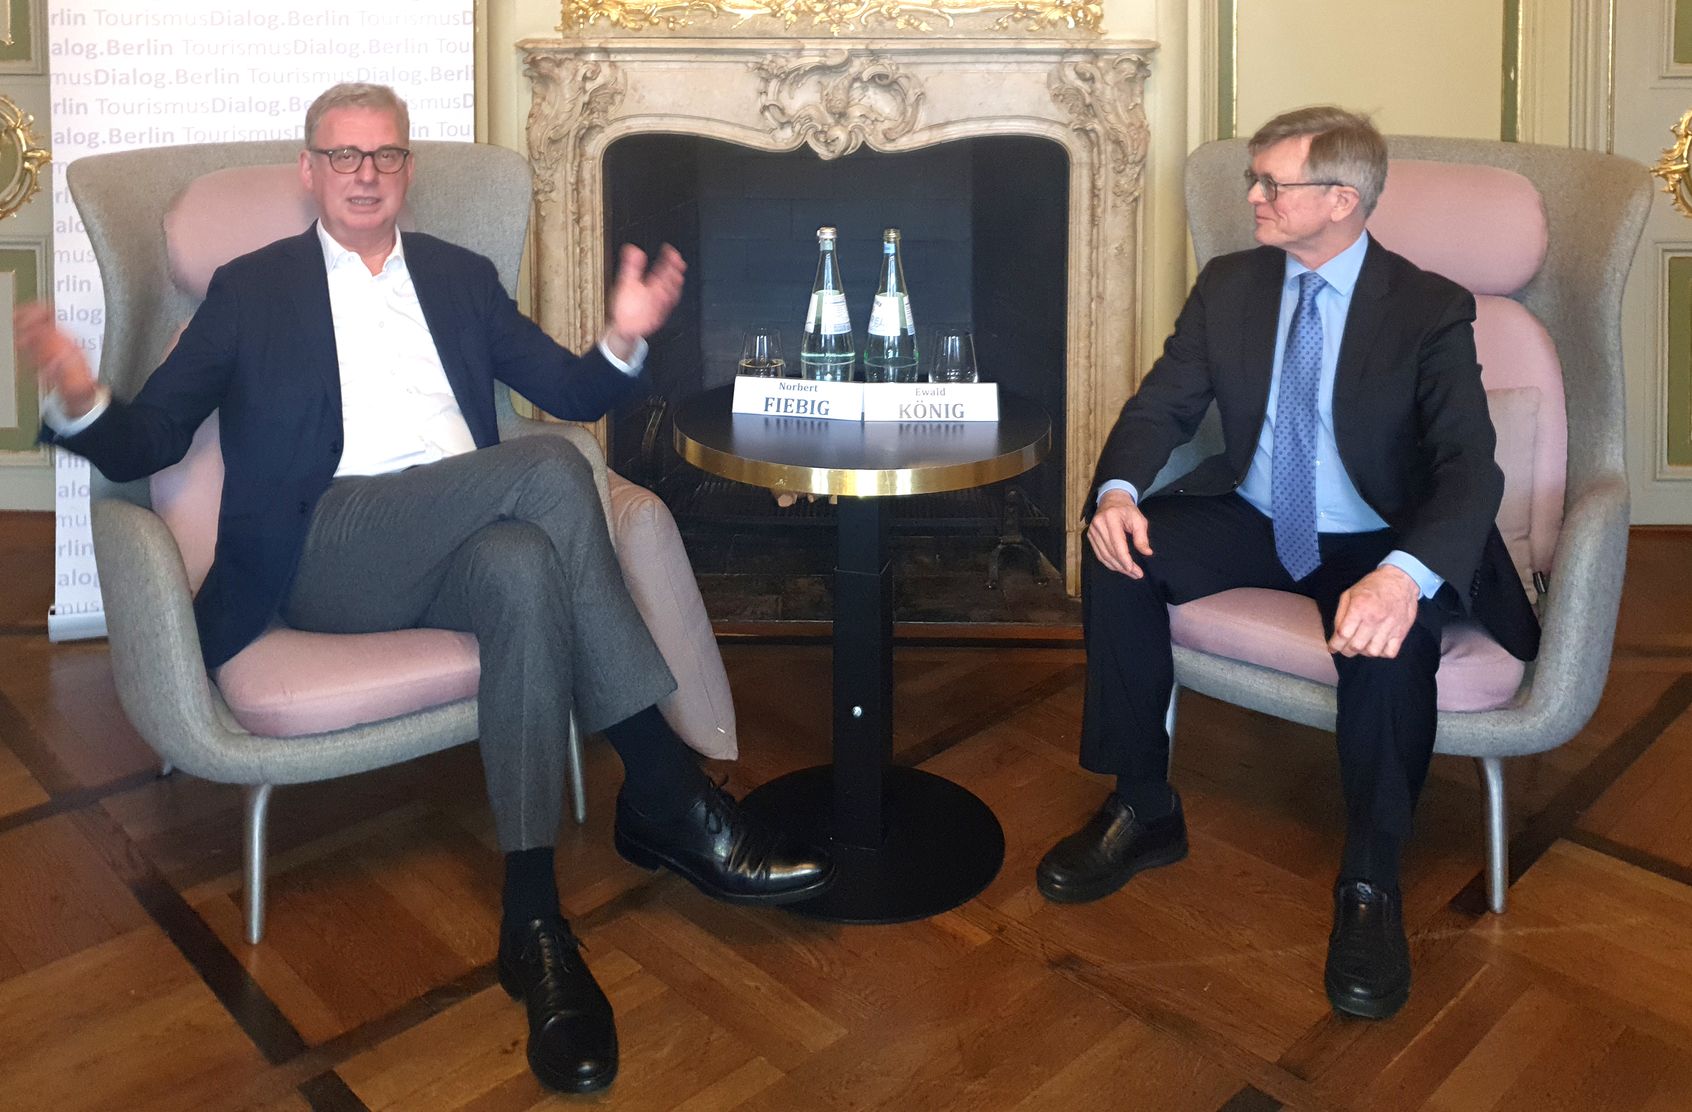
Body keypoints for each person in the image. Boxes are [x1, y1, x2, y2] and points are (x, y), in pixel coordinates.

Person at [15, 82, 832, 1095]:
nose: (365, 174)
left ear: (407, 169)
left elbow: (565, 389)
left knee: (523, 567)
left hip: (459, 535)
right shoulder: (249, 289)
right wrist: (80, 398)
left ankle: (533, 926)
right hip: (324, 545)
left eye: (385, 155)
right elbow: (149, 438)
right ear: (310, 169)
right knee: (551, 470)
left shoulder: (458, 276)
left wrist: (623, 337)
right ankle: (664, 792)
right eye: (343, 155)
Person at [1035, 106, 1539, 1021]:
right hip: (1259, 516)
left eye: (1273, 183)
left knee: (1388, 644)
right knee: (1118, 556)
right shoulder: (1231, 284)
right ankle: (1144, 807)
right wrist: (1115, 492)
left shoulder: (1428, 308)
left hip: (1376, 537)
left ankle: (1371, 880)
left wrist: (1403, 575)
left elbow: (1471, 467)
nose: (1254, 197)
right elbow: (1162, 405)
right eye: (1254, 179)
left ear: (1342, 199)